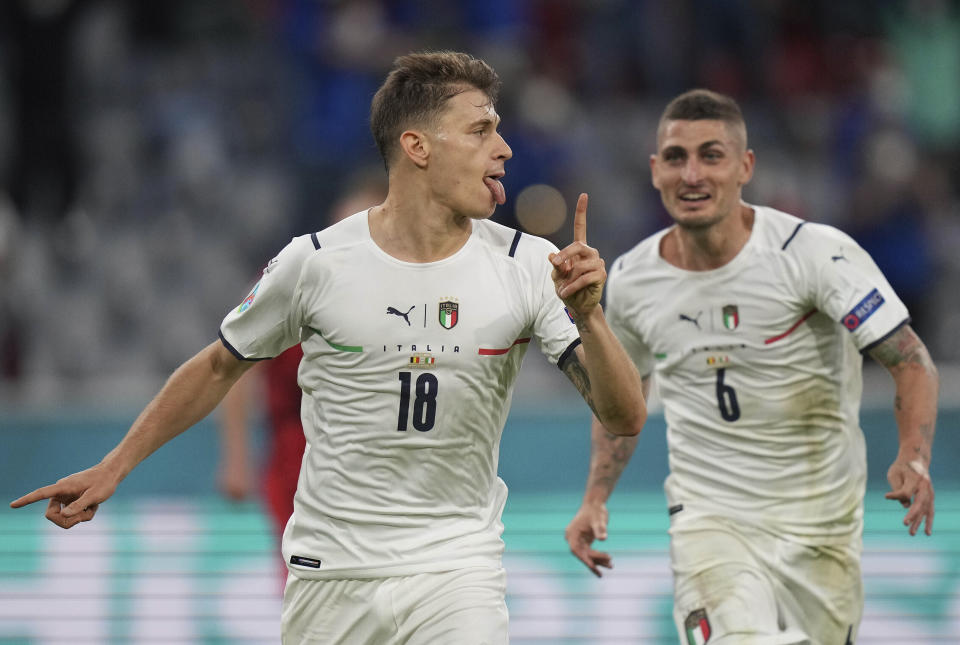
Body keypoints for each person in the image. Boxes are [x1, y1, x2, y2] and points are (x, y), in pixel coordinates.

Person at [11, 51, 647, 644]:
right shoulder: (315, 263)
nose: (505, 149)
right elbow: (217, 366)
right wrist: (114, 465)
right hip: (331, 575)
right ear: (417, 146)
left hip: (457, 571)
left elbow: (624, 415)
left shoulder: (528, 263)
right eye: (481, 130)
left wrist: (590, 318)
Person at [564, 89, 938, 644]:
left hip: (821, 524)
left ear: (746, 167)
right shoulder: (634, 278)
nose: (691, 174)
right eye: (675, 158)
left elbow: (907, 358)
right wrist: (594, 497)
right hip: (708, 517)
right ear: (654, 171)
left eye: (711, 156)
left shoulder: (811, 253)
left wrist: (915, 455)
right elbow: (623, 401)